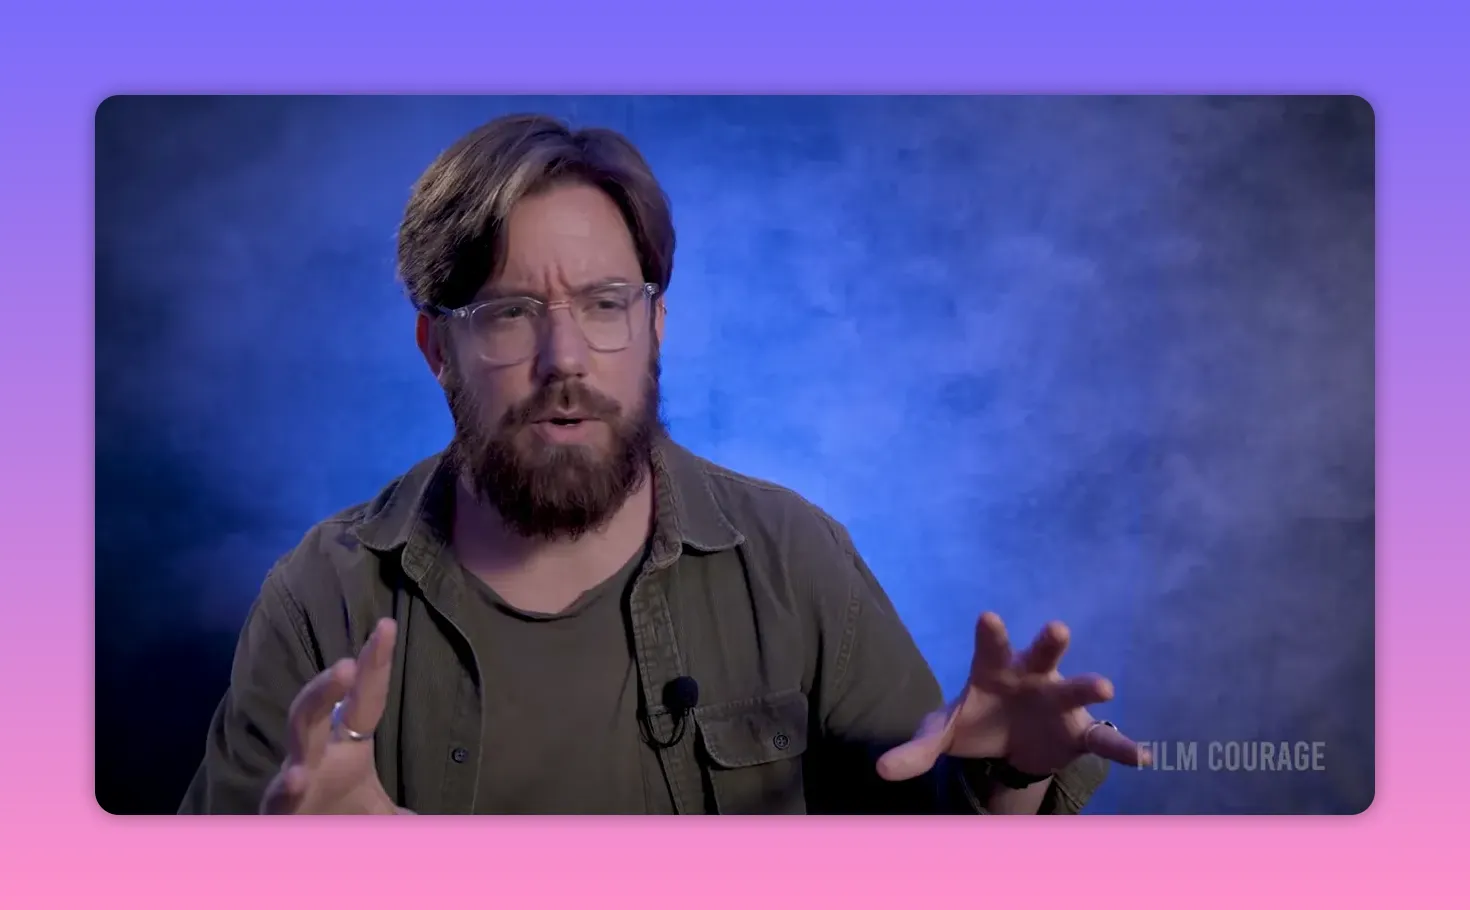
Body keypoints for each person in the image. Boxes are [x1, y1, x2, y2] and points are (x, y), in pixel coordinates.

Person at [179, 113, 1148, 816]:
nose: (566, 360)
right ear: (438, 350)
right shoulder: (323, 594)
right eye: (513, 312)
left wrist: (1004, 781)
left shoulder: (794, 558)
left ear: (655, 328)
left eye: (606, 304)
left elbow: (926, 848)